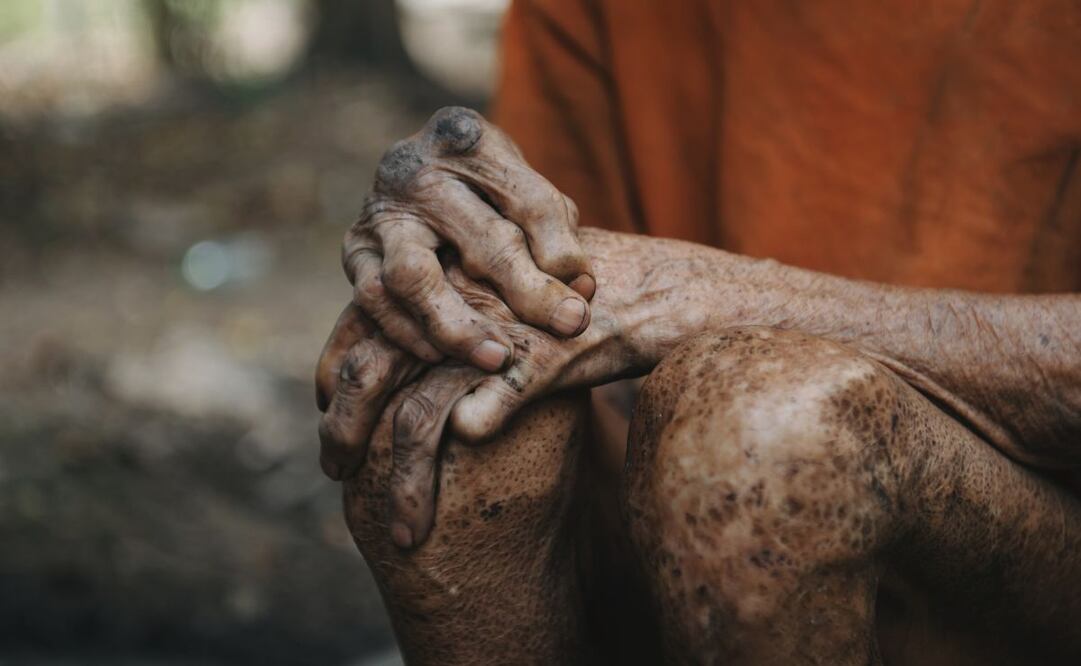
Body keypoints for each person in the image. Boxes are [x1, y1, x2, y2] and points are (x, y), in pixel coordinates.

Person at [315, 1, 1081, 663]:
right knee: (438, 377)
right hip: (670, 513)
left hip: (1031, 533)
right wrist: (463, 253)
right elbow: (555, 262)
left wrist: (725, 298)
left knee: (768, 434)